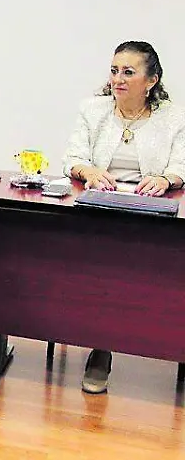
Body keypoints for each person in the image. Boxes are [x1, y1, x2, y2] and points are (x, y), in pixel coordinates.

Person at [62, 41, 185, 394]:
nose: (118, 79)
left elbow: (181, 165)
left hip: (151, 213)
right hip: (99, 210)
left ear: (151, 81)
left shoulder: (173, 117)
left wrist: (166, 179)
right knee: (102, 263)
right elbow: (73, 157)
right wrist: (88, 171)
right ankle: (101, 348)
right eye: (114, 71)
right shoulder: (93, 110)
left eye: (128, 72)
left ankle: (168, 343)